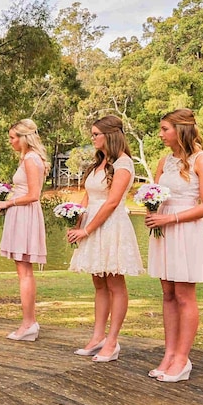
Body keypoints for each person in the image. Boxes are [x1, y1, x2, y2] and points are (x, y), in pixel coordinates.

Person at [145, 109, 203, 383]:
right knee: (167, 294)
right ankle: (169, 354)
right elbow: (155, 192)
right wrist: (153, 212)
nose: (161, 134)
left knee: (185, 295)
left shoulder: (202, 160)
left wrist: (171, 217)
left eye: (165, 129)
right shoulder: (164, 161)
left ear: (181, 130)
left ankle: (182, 359)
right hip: (163, 231)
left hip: (186, 230)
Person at [67, 115, 143, 362]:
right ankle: (97, 336)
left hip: (110, 226)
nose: (92, 138)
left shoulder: (123, 164)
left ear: (109, 135)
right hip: (91, 224)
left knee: (114, 283)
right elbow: (88, 197)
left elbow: (111, 202)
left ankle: (112, 340)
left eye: (95, 134)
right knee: (98, 282)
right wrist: (77, 223)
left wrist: (87, 230)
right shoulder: (98, 164)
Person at [0, 119, 48, 341]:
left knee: (24, 271)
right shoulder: (31, 159)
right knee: (23, 270)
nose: (11, 142)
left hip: (25, 213)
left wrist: (9, 203)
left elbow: (34, 194)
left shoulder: (30, 159)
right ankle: (29, 322)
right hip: (23, 213)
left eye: (13, 137)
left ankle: (29, 323)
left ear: (24, 138)